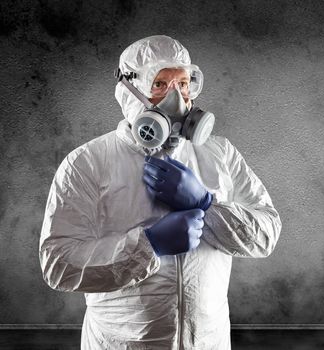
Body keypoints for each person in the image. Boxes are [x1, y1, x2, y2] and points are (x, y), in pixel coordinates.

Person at [39, 35, 281, 349]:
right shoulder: (87, 163)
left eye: (182, 83)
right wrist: (148, 245)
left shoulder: (220, 153)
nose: (177, 99)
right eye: (159, 85)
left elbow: (267, 234)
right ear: (130, 92)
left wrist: (208, 206)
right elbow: (59, 265)